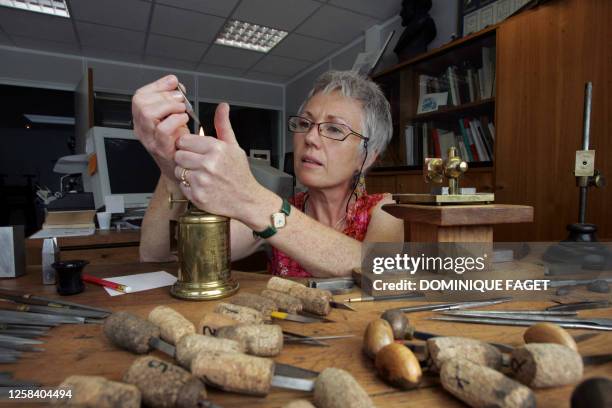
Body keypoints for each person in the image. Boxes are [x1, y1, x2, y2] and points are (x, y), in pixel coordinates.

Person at [133, 70, 403, 278]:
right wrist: (170, 169)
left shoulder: (387, 209)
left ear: (368, 156)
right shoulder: (275, 215)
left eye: (334, 129)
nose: (309, 137)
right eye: (305, 123)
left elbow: (377, 270)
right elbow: (161, 256)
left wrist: (249, 196)